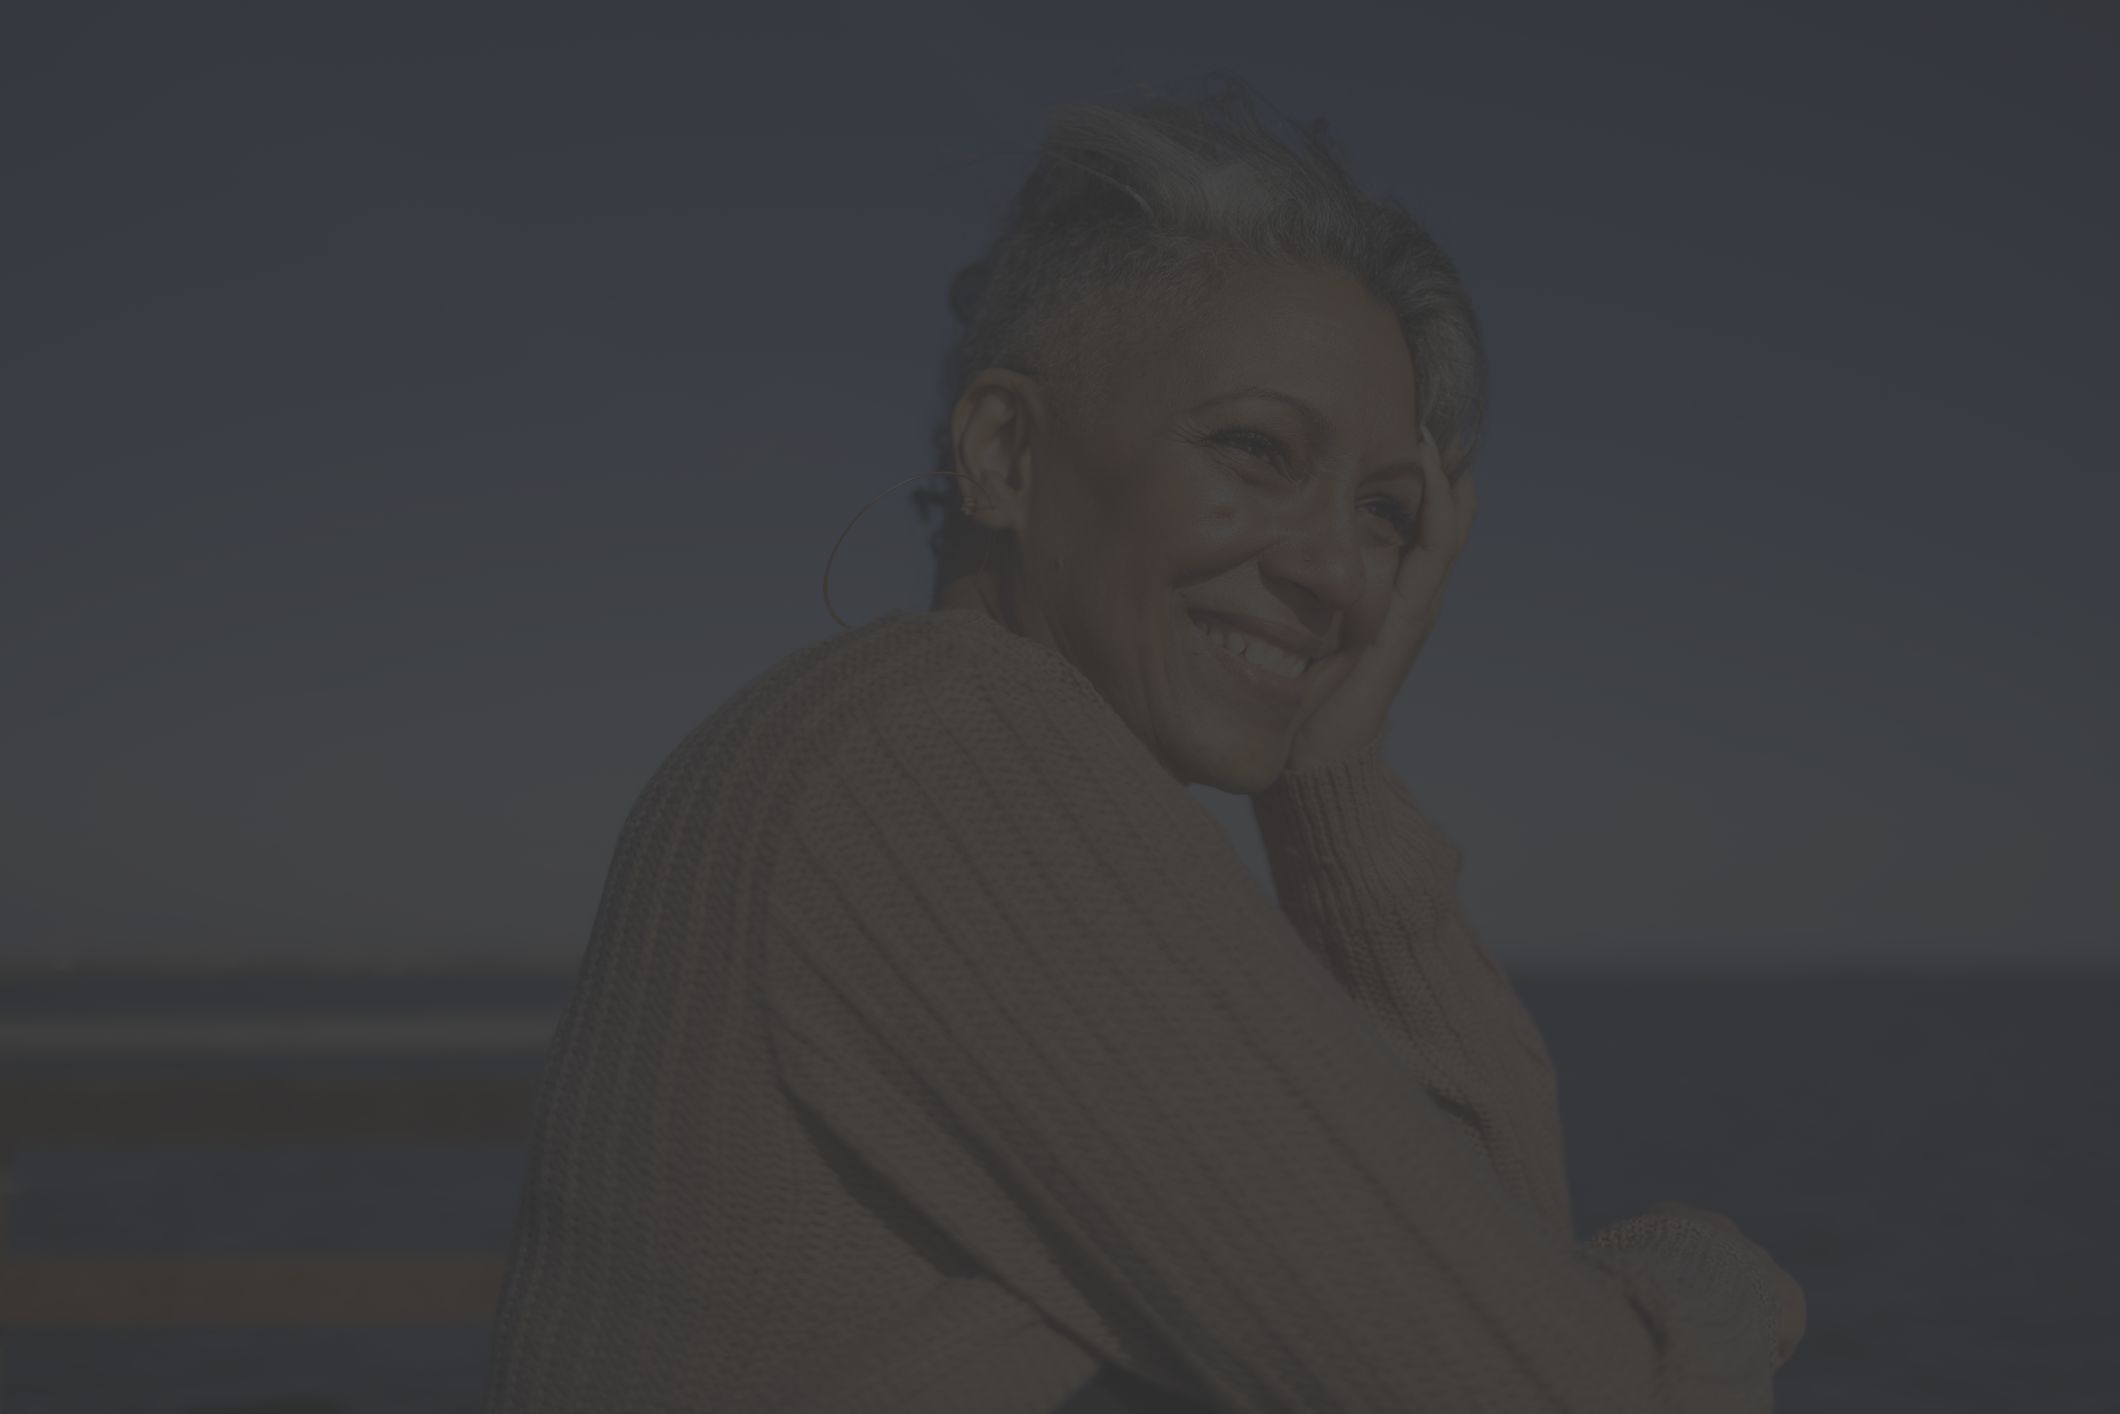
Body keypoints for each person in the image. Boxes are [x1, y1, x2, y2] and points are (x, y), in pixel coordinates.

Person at [481, 76, 1804, 1413]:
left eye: (1389, 516)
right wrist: (1715, 1276)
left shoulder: (878, 738)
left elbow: (1476, 1267)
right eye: (1256, 450)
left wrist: (1335, 775)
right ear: (1003, 450)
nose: (1340, 575)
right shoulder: (947, 760)